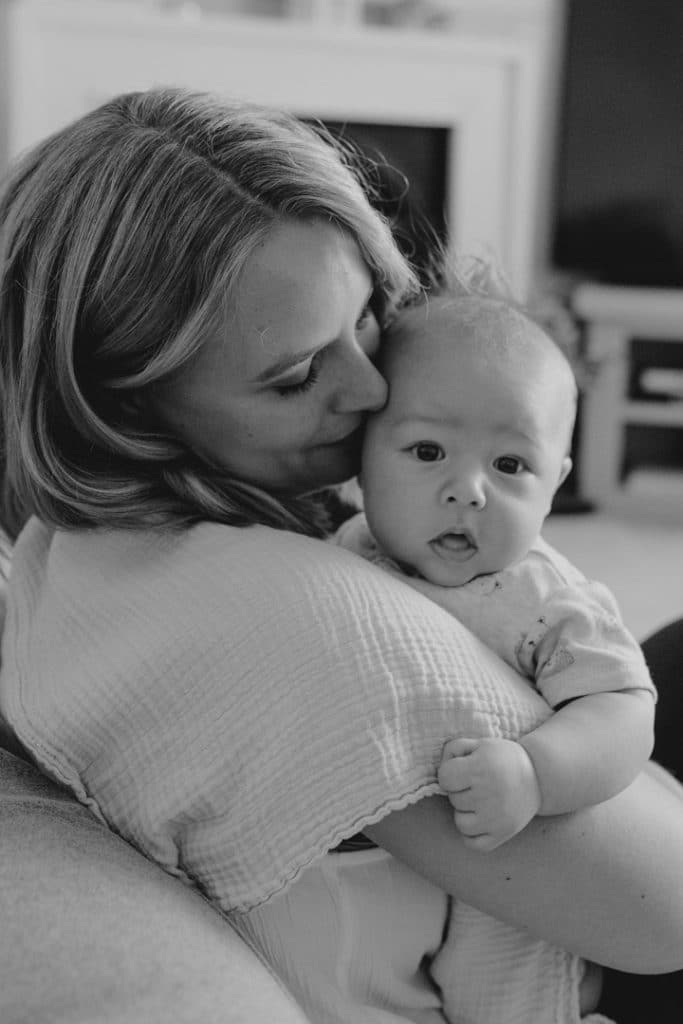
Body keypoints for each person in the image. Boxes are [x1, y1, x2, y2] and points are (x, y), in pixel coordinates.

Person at [0, 87, 682, 1024]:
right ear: (125, 409)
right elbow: (663, 914)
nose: (370, 391)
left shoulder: (78, 548)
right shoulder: (292, 624)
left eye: (364, 320)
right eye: (294, 376)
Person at [337, 290, 656, 852]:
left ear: (553, 487)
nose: (468, 490)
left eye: (509, 465)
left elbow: (624, 712)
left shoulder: (547, 602)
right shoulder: (349, 545)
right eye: (428, 451)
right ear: (362, 458)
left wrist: (536, 773)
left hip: (505, 852)